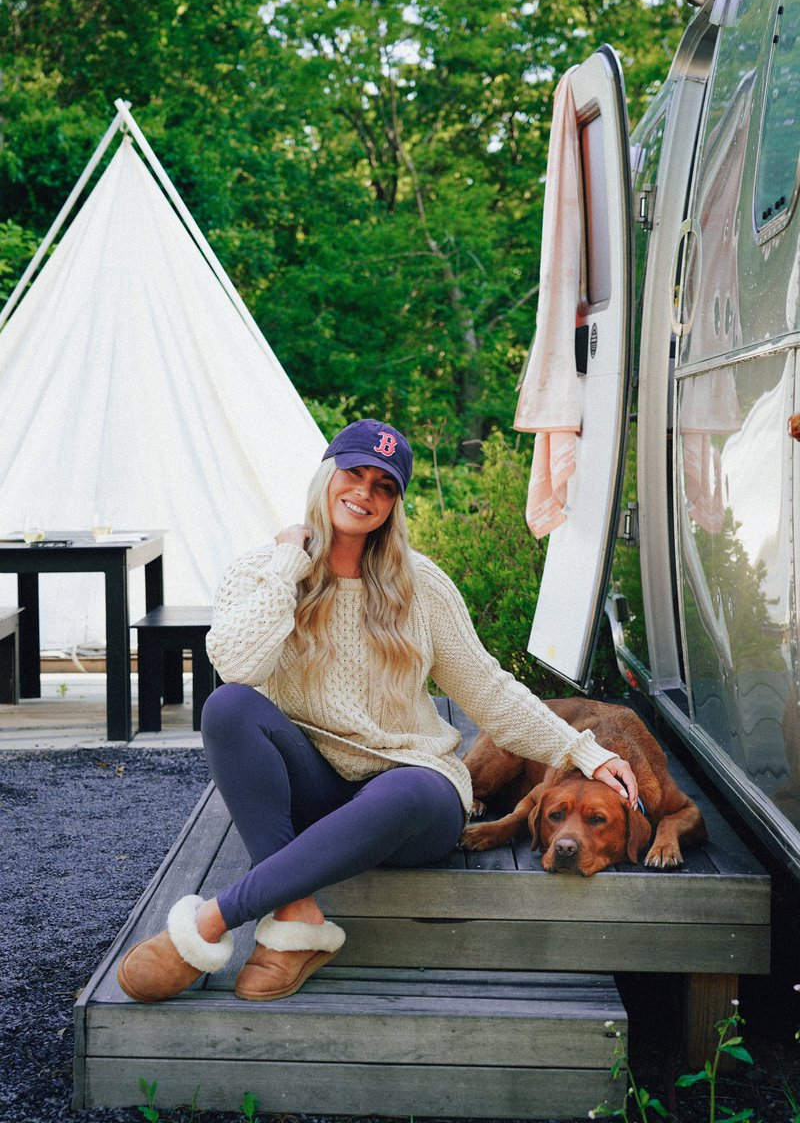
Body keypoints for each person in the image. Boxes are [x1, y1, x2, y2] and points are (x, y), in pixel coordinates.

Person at [117, 418, 637, 1004]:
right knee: (228, 708)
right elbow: (238, 666)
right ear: (326, 476)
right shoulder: (263, 570)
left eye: (384, 486)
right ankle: (295, 917)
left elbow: (489, 690)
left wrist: (584, 752)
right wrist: (289, 565)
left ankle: (211, 920)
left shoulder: (422, 585)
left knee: (409, 788)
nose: (365, 493)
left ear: (393, 505)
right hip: (316, 784)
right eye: (354, 474)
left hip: (412, 799)